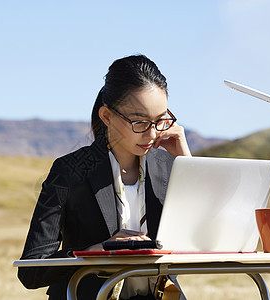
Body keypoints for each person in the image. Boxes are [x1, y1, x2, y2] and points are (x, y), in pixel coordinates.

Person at [18, 55, 191, 299]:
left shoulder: (172, 167)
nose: (152, 133)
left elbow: (209, 241)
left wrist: (187, 163)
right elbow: (31, 269)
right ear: (107, 116)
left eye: (161, 120)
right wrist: (93, 253)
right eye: (140, 122)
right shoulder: (68, 171)